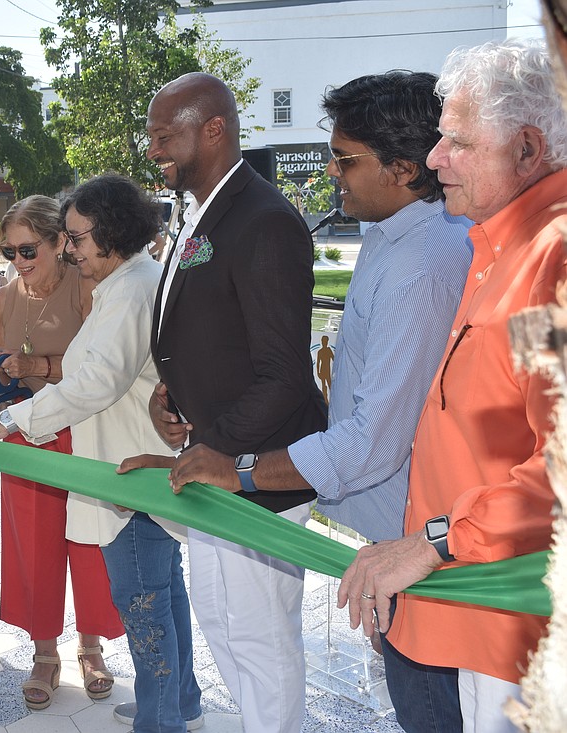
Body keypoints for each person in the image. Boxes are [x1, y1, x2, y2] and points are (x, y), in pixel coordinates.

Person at [130, 71, 474, 733]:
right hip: (379, 519)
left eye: (344, 159)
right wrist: (180, 396)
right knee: (266, 641)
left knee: (408, 694)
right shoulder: (388, 233)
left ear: (405, 168)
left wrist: (240, 464)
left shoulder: (420, 263)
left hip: (409, 523)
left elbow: (358, 425)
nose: (331, 172)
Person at [339, 40, 567, 732]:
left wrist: (431, 542)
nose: (435, 160)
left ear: (527, 150)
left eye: (457, 142)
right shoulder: (497, 245)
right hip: (474, 603)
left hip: (519, 627)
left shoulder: (551, 257)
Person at [0, 174, 200, 733]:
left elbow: (93, 383)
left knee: (147, 612)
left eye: (77, 237)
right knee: (164, 596)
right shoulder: (126, 284)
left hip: (130, 477)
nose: (69, 249)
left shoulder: (131, 288)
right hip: (132, 471)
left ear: (111, 233)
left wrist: (7, 420)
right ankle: (181, 703)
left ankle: (163, 722)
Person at [120, 73, 327, 733]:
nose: (154, 151)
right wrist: (172, 396)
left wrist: (220, 447)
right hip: (213, 458)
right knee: (221, 620)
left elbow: (285, 373)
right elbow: (212, 332)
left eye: (164, 136)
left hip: (258, 471)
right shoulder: (200, 212)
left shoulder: (264, 220)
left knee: (261, 638)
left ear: (213, 128)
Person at [0, 196, 119, 710]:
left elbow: (100, 370)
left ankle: (90, 646)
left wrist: (36, 364)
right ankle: (44, 652)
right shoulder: (1, 300)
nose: (17, 261)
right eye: (8, 251)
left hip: (82, 431)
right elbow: (1, 375)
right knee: (32, 547)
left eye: (28, 248)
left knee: (89, 541)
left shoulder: (89, 289)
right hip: (23, 434)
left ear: (60, 242)